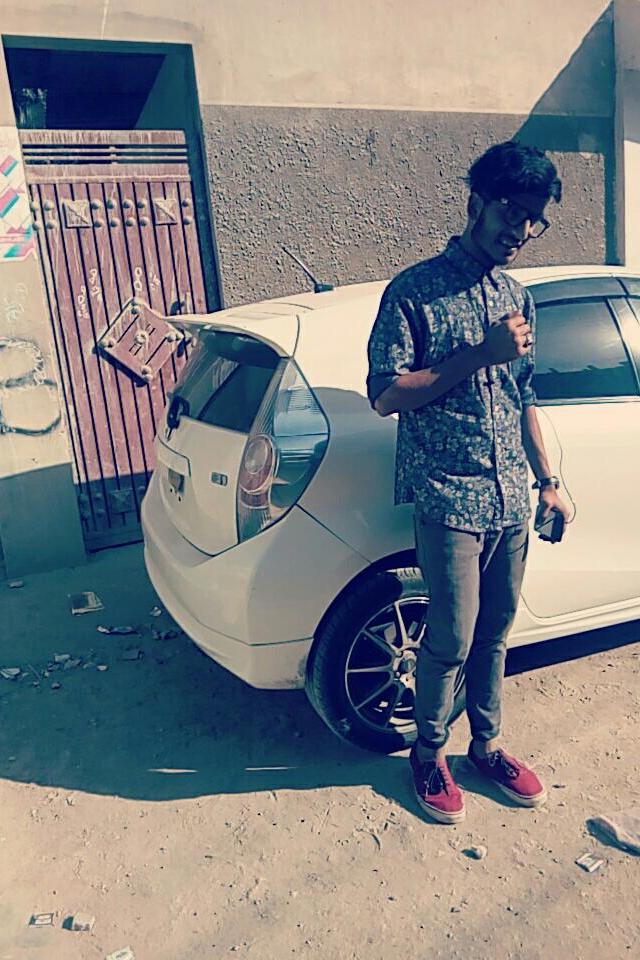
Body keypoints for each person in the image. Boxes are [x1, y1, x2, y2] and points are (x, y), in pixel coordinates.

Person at [366, 140, 571, 824]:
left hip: (511, 496)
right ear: (478, 202)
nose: (523, 231)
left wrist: (548, 480)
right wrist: (479, 353)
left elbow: (522, 397)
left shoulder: (517, 297)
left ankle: (487, 746)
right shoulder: (414, 292)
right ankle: (428, 754)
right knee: (451, 637)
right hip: (449, 497)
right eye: (513, 213)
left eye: (535, 220)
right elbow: (385, 395)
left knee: (496, 632)